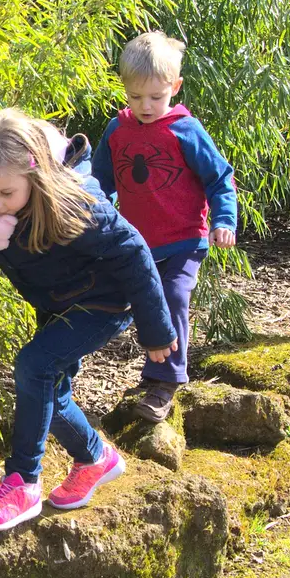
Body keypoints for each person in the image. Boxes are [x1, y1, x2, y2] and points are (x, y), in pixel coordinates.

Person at [0, 108, 176, 529]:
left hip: (103, 301)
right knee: (47, 393)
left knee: (34, 366)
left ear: (35, 177)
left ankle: (22, 483)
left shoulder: (79, 202)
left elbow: (134, 252)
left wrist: (156, 329)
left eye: (5, 194)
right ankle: (95, 457)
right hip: (56, 303)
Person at [91, 31, 237, 422]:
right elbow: (99, 183)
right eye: (135, 97)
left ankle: (166, 381)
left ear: (175, 87)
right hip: (137, 242)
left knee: (172, 297)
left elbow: (220, 177)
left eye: (156, 97)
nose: (146, 106)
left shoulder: (184, 130)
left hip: (184, 239)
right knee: (144, 305)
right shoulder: (117, 131)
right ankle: (154, 371)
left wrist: (224, 220)